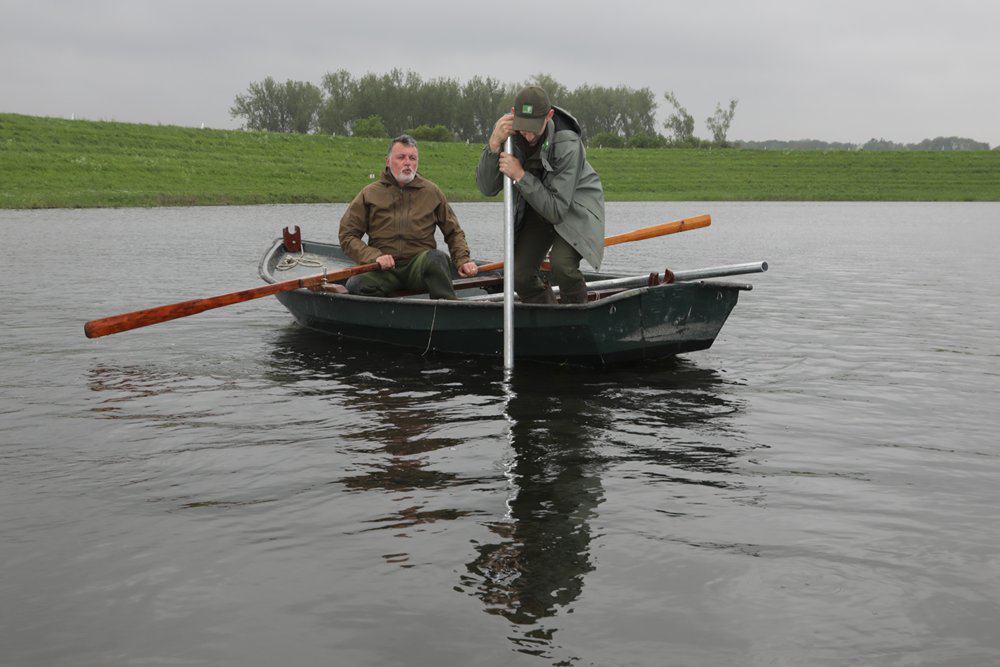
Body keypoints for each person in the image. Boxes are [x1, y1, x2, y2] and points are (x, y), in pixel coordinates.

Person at [476, 85, 605, 304]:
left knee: (561, 264)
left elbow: (556, 210)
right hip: (538, 206)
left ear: (549, 116)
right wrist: (493, 145)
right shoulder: (508, 135)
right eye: (523, 127)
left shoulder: (568, 144)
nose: (527, 135)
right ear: (513, 114)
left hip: (574, 207)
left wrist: (520, 175)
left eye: (534, 128)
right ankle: (549, 316)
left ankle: (577, 319)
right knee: (519, 273)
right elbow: (487, 188)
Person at [339, 134, 478, 299]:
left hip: (418, 268)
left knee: (436, 258)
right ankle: (387, 317)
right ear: (388, 161)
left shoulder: (432, 192)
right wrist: (374, 257)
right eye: (401, 157)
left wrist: (463, 260)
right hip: (384, 270)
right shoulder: (369, 193)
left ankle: (447, 310)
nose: (407, 163)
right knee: (356, 284)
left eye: (412, 158)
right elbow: (347, 235)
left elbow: (453, 232)